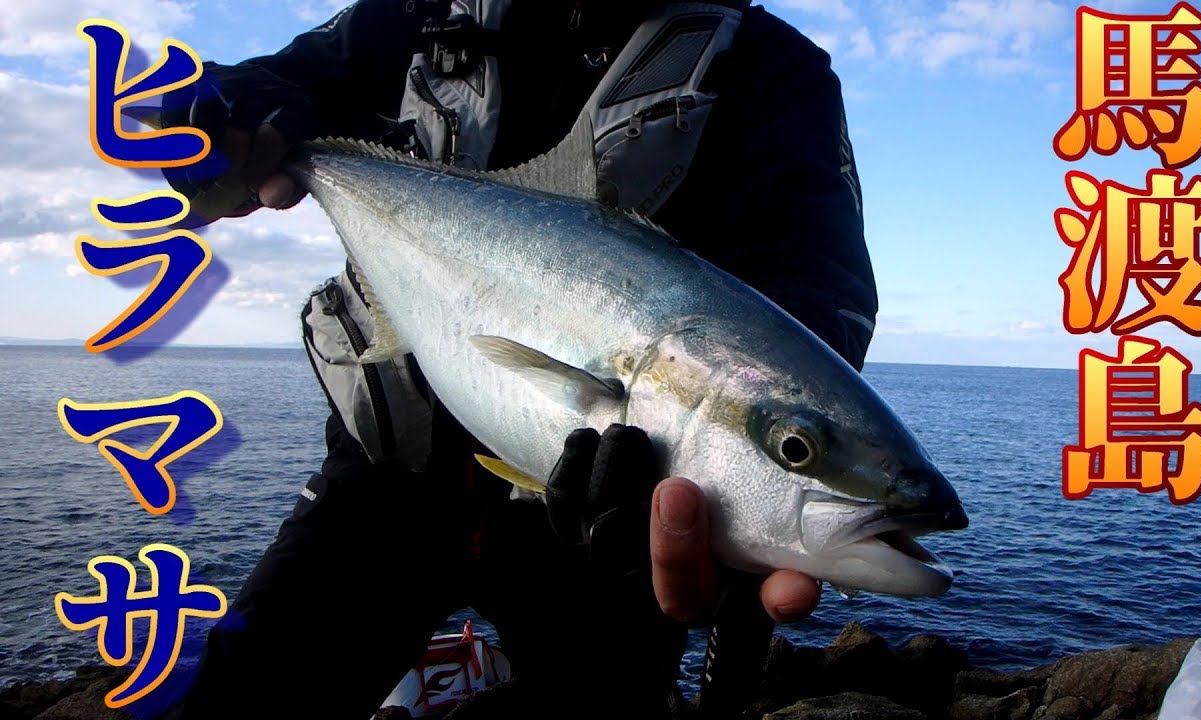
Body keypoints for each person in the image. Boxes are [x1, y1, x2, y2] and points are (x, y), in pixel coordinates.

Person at [158, 1, 877, 717]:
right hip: (387, 478)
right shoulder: (417, 16)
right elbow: (243, 89)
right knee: (240, 695)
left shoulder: (765, 63)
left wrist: (766, 456)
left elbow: (814, 286)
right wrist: (215, 116)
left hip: (604, 514)